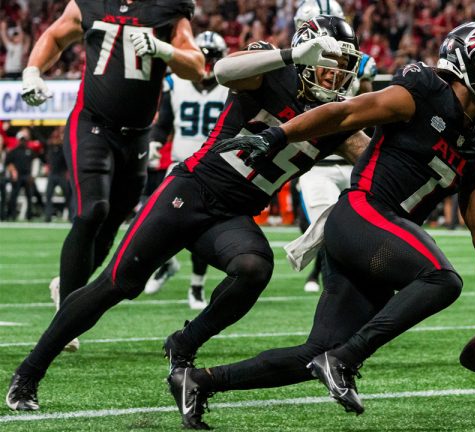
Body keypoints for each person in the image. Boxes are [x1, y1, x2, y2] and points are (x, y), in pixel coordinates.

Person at [166, 22, 475, 429]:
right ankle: (343, 362)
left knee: (315, 350)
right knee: (441, 280)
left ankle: (199, 382)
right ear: (473, 66)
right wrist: (279, 135)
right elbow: (346, 112)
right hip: (361, 214)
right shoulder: (423, 90)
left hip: (379, 244)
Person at [6, 15, 369, 415]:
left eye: (343, 66)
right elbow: (223, 69)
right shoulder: (272, 71)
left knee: (253, 267)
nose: (335, 76)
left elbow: (376, 162)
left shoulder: (339, 117)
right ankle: (28, 372)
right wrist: (289, 54)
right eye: (328, 63)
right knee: (117, 283)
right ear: (307, 52)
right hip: (191, 190)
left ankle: (185, 343)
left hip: (233, 213)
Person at [20, 0, 205, 352]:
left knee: (112, 223)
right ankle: (67, 318)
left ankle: (68, 288)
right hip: (92, 123)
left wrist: (163, 48)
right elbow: (56, 36)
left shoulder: (167, 8)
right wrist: (32, 70)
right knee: (93, 210)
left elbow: (196, 66)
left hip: (137, 134)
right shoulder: (90, 2)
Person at [293, 0, 378, 293]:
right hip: (316, 160)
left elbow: (370, 110)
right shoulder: (292, 66)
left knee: (360, 231)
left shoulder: (362, 63)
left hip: (349, 152)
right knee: (328, 230)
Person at [142, 31, 230, 310]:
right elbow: (164, 121)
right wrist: (155, 141)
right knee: (151, 219)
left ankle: (196, 286)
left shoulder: (230, 87)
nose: (207, 64)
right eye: (203, 57)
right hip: (180, 163)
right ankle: (167, 265)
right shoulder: (175, 83)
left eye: (212, 58)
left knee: (198, 227)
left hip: (214, 169)